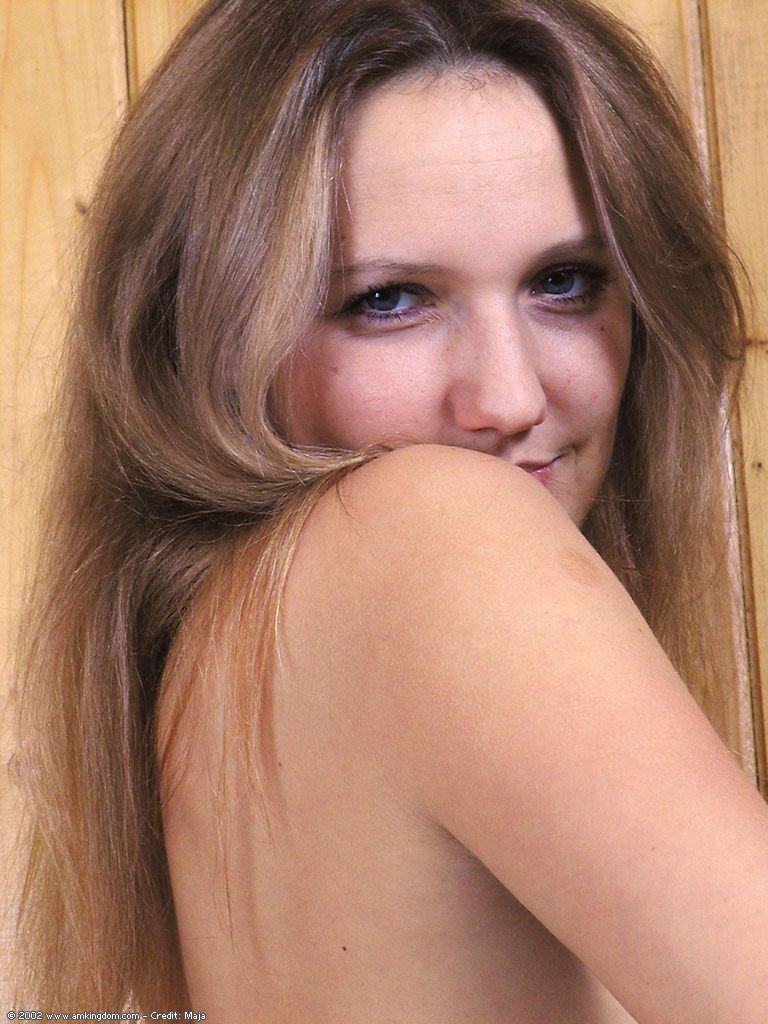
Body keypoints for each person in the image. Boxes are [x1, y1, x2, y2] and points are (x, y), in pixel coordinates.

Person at [12, 0, 768, 1020]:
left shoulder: (222, 665)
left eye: (564, 281)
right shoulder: (432, 537)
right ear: (208, 340)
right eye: (389, 300)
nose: (509, 396)